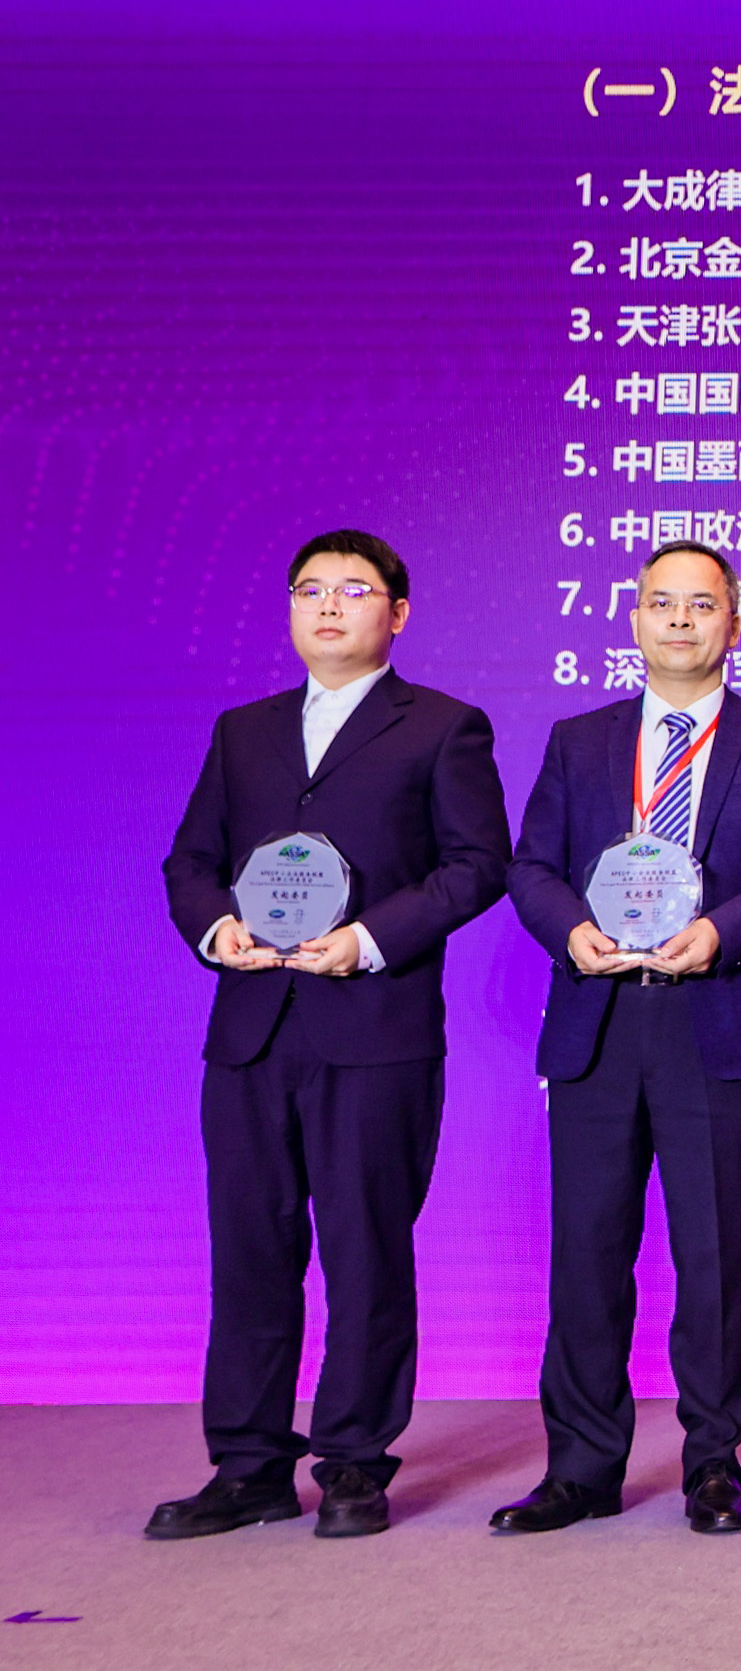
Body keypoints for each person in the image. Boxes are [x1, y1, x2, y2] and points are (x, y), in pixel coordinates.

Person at [153, 531, 510, 1540]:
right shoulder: (244, 731)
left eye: (353, 591)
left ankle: (354, 1459)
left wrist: (367, 940)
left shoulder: (442, 726)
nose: (326, 606)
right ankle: (249, 1465)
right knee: (249, 1251)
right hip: (252, 1028)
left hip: (375, 1028)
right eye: (309, 589)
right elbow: (190, 862)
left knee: (365, 1251)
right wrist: (216, 927)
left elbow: (477, 864)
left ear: (397, 613)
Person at [490, 540, 741, 1535]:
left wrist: (720, 930)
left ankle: (714, 1464)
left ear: (736, 622)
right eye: (661, 602)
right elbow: (531, 866)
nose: (680, 619)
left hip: (714, 1015)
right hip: (599, 1017)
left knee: (716, 1254)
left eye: (701, 604)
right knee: (587, 1253)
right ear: (634, 618)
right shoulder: (581, 740)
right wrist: (570, 929)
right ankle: (580, 1467)